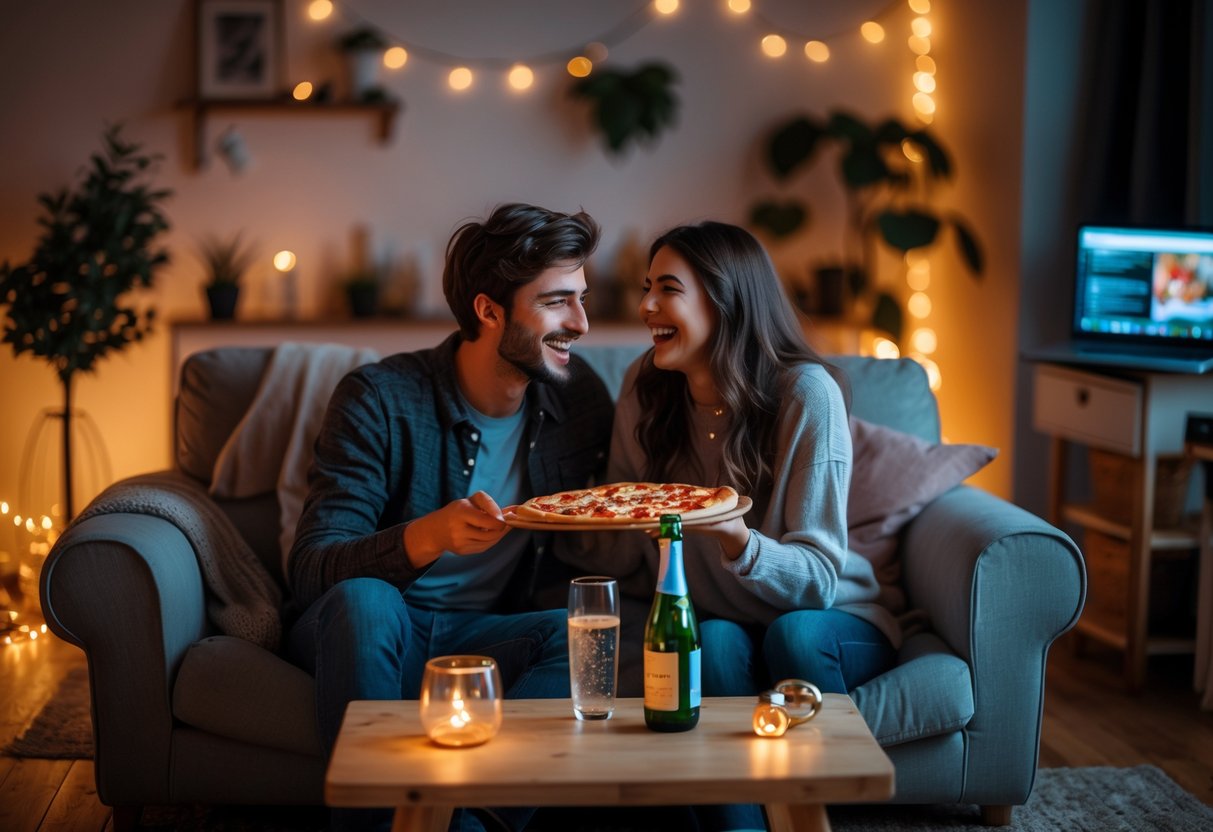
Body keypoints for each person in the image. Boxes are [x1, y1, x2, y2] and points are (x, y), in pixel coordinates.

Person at [286, 203, 612, 832]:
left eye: (583, 297)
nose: (581, 322)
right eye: (557, 302)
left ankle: (471, 823)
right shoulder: (379, 397)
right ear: (489, 311)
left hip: (483, 638)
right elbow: (310, 570)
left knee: (586, 634)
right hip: (376, 633)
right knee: (366, 602)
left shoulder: (580, 397)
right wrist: (428, 536)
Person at [563, 220, 901, 702]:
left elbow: (819, 580)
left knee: (795, 636)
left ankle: (823, 777)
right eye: (646, 288)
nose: (646, 307)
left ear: (725, 303)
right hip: (725, 617)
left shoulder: (807, 395)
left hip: (830, 617)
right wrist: (564, 521)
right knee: (712, 642)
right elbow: (624, 540)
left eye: (668, 290)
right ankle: (734, 779)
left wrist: (734, 535)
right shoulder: (647, 386)